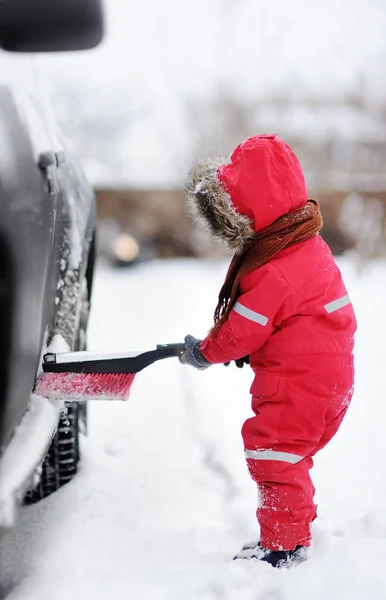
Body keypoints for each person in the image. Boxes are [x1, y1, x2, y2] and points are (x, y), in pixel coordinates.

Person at [179, 134, 356, 568]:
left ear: (252, 207)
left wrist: (205, 351)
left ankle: (284, 547)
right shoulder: (305, 245)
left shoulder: (274, 268)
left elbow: (242, 329)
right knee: (288, 454)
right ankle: (295, 526)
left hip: (300, 383)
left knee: (272, 451)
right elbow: (292, 318)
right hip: (328, 380)